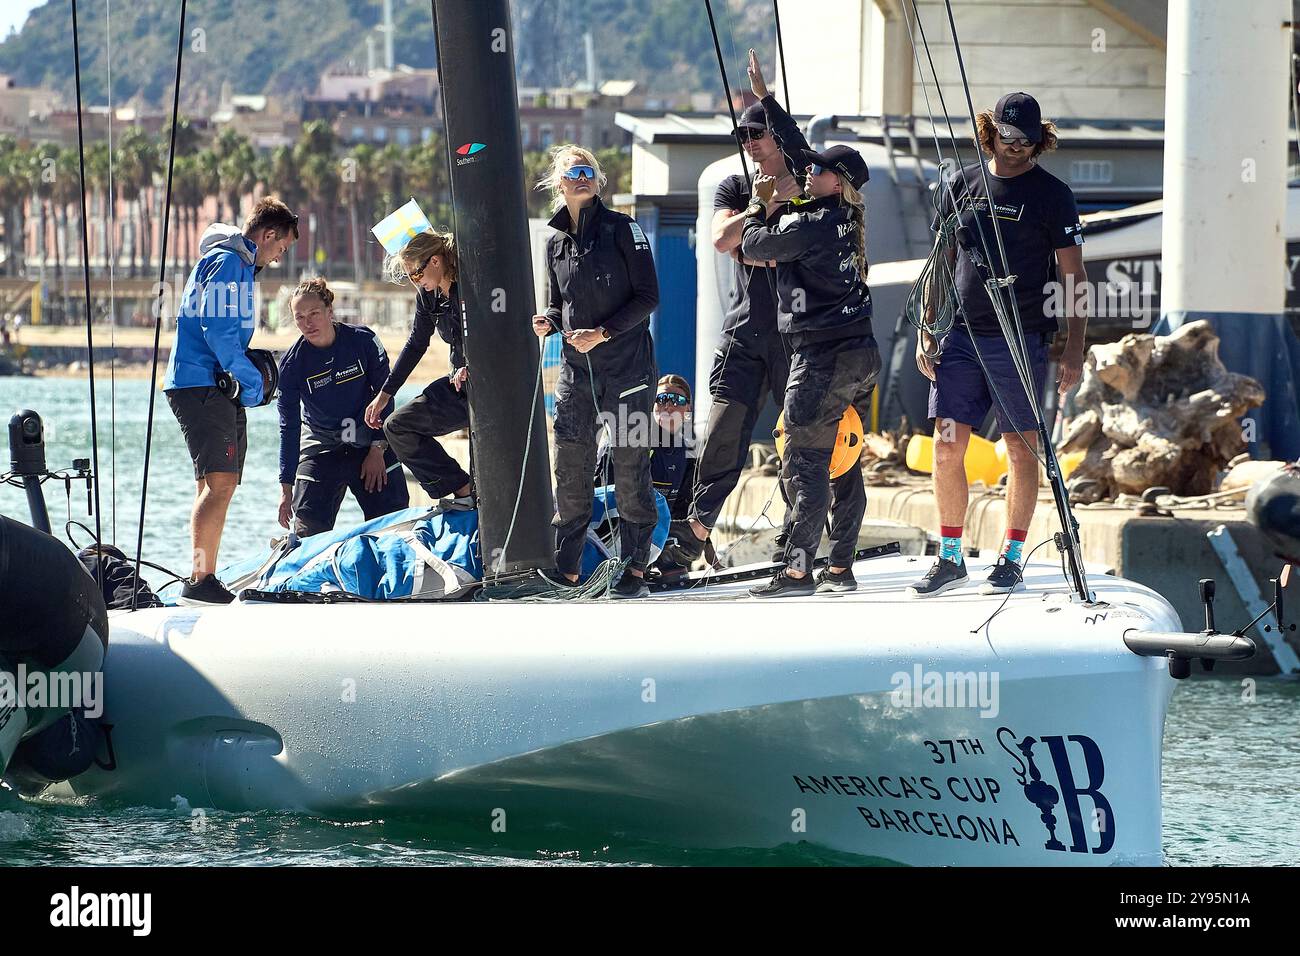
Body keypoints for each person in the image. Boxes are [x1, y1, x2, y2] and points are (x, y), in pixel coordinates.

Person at [910, 91, 1088, 598]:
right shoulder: (960, 185)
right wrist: (928, 326)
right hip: (960, 335)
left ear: (1038, 143)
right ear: (991, 131)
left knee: (1021, 446)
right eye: (1007, 137)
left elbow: (1074, 275)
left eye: (1026, 142)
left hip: (1020, 337)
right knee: (947, 446)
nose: (1015, 149)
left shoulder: (1054, 195)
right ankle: (949, 557)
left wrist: (1074, 347)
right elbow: (940, 263)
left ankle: (1010, 557)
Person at [666, 49, 806, 568]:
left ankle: (803, 541)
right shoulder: (736, 186)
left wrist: (767, 97)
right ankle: (691, 538)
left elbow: (780, 246)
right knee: (723, 436)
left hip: (798, 334)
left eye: (757, 134)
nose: (749, 144)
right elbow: (724, 240)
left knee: (801, 443)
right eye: (743, 138)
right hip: (747, 333)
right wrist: (762, 207)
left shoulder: (810, 184)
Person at [738, 145, 881, 598]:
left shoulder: (809, 224)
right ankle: (839, 567)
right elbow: (797, 148)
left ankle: (797, 572)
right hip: (861, 352)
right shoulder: (844, 219)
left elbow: (754, 245)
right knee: (845, 457)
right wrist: (768, 100)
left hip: (824, 358)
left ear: (836, 182)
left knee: (806, 461)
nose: (806, 170)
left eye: (816, 169)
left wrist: (759, 206)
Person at [532, 144, 660, 599]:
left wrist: (603, 333)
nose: (581, 178)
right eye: (573, 172)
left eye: (588, 171)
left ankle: (634, 571)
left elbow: (649, 297)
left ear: (598, 181)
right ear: (559, 184)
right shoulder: (554, 243)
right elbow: (556, 302)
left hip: (629, 370)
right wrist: (547, 320)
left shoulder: (625, 230)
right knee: (570, 468)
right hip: (573, 371)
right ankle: (566, 571)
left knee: (628, 468)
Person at [164, 196, 298, 605]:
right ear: (269, 234)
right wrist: (252, 383)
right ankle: (199, 580)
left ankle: (202, 576)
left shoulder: (237, 263)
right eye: (282, 247)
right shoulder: (228, 263)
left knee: (215, 482)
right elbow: (217, 330)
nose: (279, 257)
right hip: (202, 384)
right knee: (219, 482)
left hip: (209, 384)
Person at [276, 277, 409, 538]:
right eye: (299, 317)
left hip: (369, 442)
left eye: (314, 313)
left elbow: (386, 395)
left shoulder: (363, 341)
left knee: (393, 526)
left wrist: (377, 448)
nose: (307, 322)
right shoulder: (292, 365)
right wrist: (285, 486)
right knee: (307, 532)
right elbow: (288, 427)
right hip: (322, 446)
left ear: (330, 311)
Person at [362, 230, 474, 509]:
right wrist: (385, 395)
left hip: (488, 385)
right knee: (397, 426)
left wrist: (472, 366)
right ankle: (462, 489)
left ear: (435, 262)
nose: (416, 282)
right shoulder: (428, 296)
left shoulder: (471, 286)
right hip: (458, 388)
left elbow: (495, 332)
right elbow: (416, 345)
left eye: (416, 274)